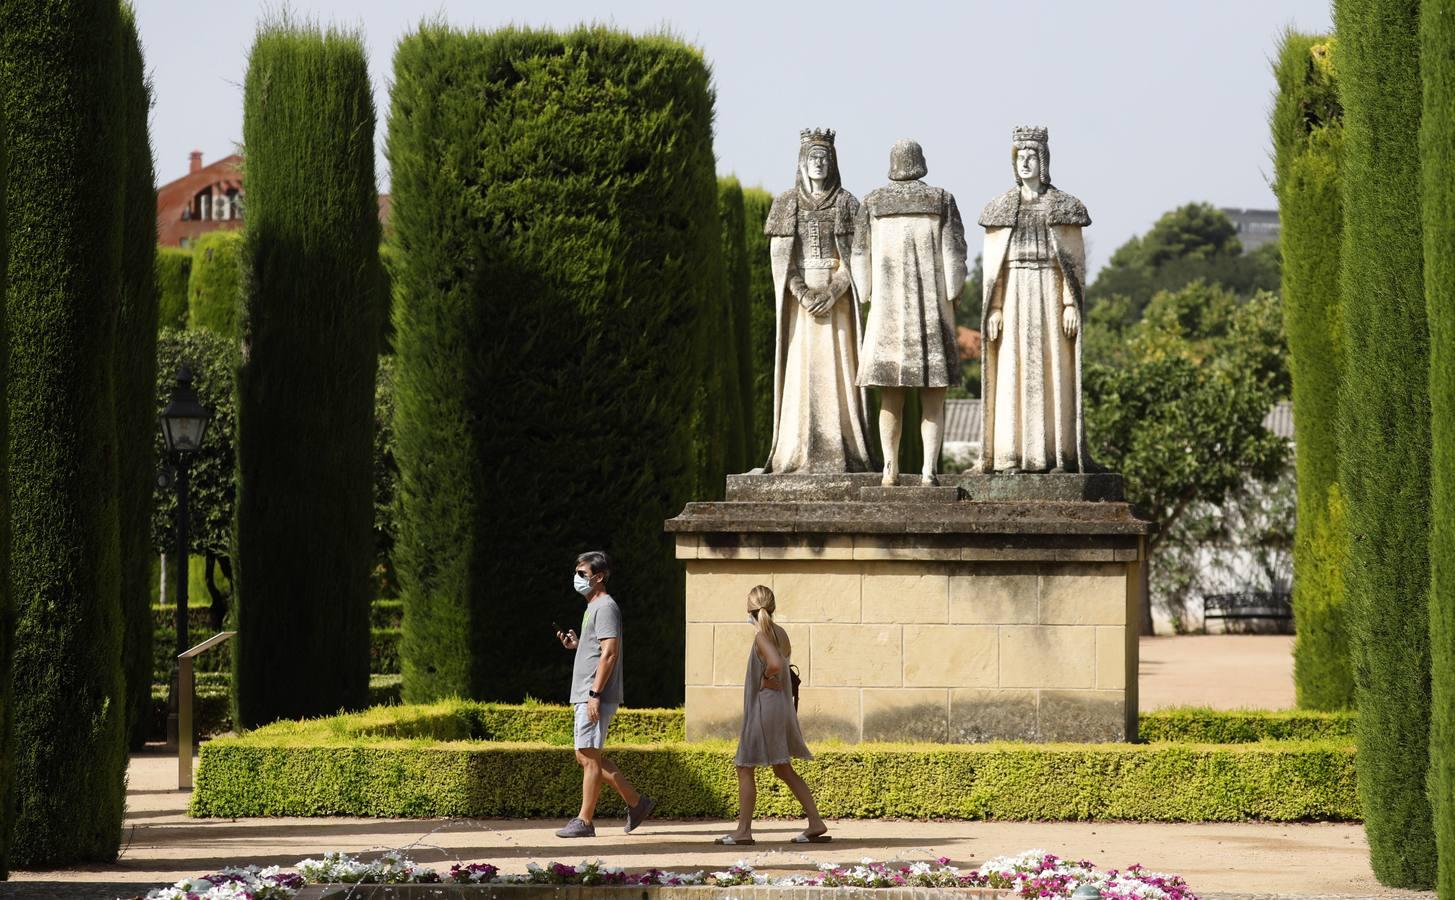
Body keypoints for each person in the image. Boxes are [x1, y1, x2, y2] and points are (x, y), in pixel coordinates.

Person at [851, 139, 968, 486]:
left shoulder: (873, 202)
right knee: (934, 396)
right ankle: (930, 470)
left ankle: (890, 468)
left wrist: (867, 294)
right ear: (921, 163)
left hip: (887, 314)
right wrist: (953, 294)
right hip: (932, 314)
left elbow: (860, 258)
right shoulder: (941, 200)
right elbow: (955, 258)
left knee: (891, 396)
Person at [977, 125, 1093, 473]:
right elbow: (994, 268)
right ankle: (1009, 454)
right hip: (1013, 294)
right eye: (1020, 157)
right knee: (1011, 370)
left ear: (1043, 160)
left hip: (1048, 291)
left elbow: (1070, 264)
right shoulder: (1000, 208)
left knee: (1052, 370)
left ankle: (1055, 452)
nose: (1025, 163)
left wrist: (1069, 302)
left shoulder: (1064, 206)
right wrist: (995, 307)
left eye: (1031, 156)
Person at [761, 127, 874, 474]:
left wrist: (834, 290)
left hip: (837, 304)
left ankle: (845, 450)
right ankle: (795, 451)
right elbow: (782, 260)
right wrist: (803, 293)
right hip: (802, 306)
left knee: (840, 371)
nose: (819, 163)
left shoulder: (847, 203)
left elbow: (858, 255)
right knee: (801, 374)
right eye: (813, 157)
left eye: (824, 157)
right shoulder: (786, 204)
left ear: (833, 161)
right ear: (802, 162)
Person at [715, 585, 829, 846]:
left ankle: (743, 831)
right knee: (782, 767)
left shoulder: (761, 637)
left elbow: (776, 665)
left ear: (749, 609)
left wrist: (767, 677)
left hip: (764, 707)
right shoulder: (779, 633)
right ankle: (815, 822)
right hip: (778, 706)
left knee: (744, 766)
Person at [553, 551, 655, 838]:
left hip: (593, 693)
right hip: (587, 692)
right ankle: (637, 803)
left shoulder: (605, 606)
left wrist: (595, 694)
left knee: (588, 755)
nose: (578, 579)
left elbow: (610, 654)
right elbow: (598, 649)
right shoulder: (593, 607)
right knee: (587, 755)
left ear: (598, 577)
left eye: (582, 574)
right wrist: (577, 645)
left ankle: (585, 821)